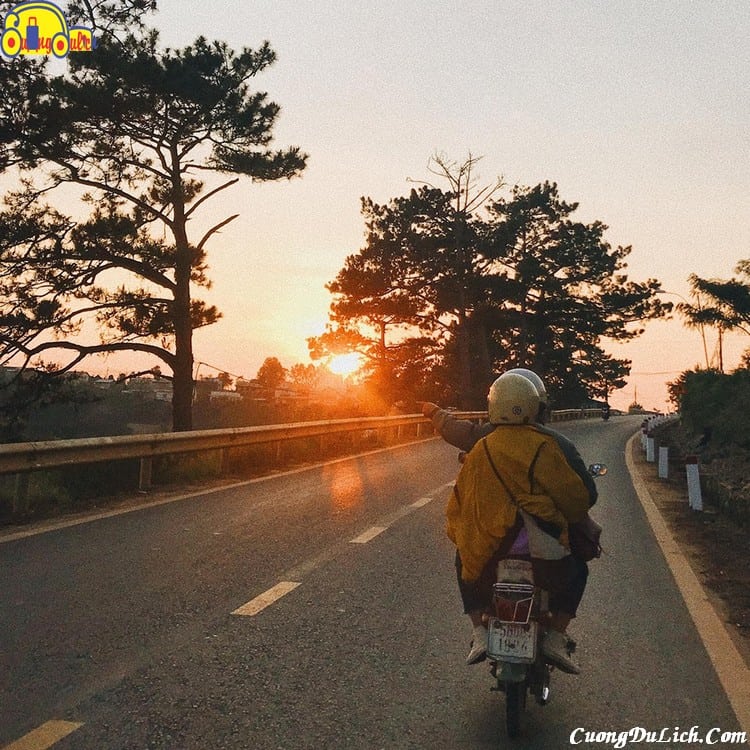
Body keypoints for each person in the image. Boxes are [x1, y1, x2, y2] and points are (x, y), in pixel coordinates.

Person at [422, 370, 596, 674]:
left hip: (489, 555)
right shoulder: (549, 446)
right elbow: (577, 500)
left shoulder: (480, 448)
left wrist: (466, 535)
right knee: (579, 568)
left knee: (463, 559)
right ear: (536, 407)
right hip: (546, 557)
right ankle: (556, 636)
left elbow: (459, 504)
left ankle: (479, 631)